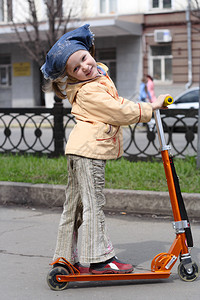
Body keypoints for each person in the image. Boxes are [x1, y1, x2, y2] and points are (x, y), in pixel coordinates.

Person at [41, 24, 169, 274]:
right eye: (75, 69)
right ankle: (100, 259)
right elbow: (119, 111)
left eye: (84, 59)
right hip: (89, 153)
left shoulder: (98, 78)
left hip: (81, 151)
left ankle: (65, 256)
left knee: (76, 205)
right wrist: (151, 107)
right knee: (93, 204)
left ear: (91, 52)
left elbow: (117, 102)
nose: (84, 67)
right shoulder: (89, 90)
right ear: (71, 75)